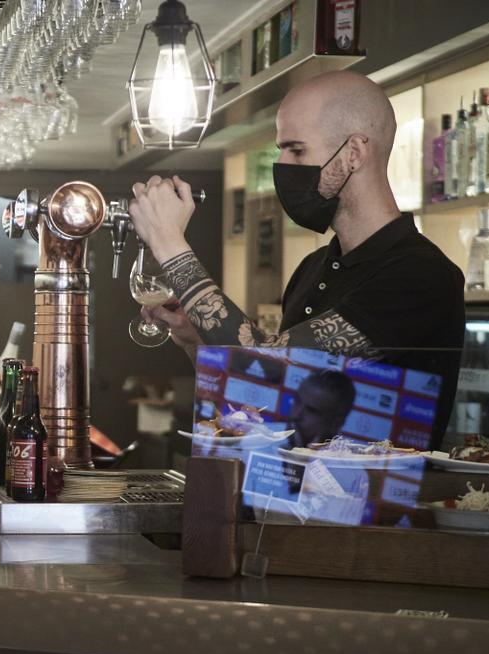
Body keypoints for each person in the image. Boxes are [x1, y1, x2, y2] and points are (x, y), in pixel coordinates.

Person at [131, 70, 464, 448]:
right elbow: (263, 396)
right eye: (281, 150)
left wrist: (169, 242)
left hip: (375, 503)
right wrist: (197, 343)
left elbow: (269, 365)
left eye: (297, 149)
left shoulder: (420, 274)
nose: (283, 165)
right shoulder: (313, 267)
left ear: (354, 152)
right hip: (286, 499)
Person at [288, 370, 357, 448]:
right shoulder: (272, 436)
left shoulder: (347, 459)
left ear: (337, 422)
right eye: (297, 401)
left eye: (311, 410)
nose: (295, 415)